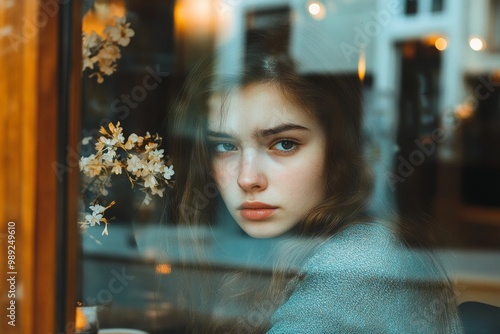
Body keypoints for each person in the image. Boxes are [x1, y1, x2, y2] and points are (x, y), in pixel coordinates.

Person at [164, 31, 464, 333]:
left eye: (283, 144)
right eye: (225, 146)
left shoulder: (362, 262)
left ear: (339, 151)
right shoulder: (280, 247)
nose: (247, 178)